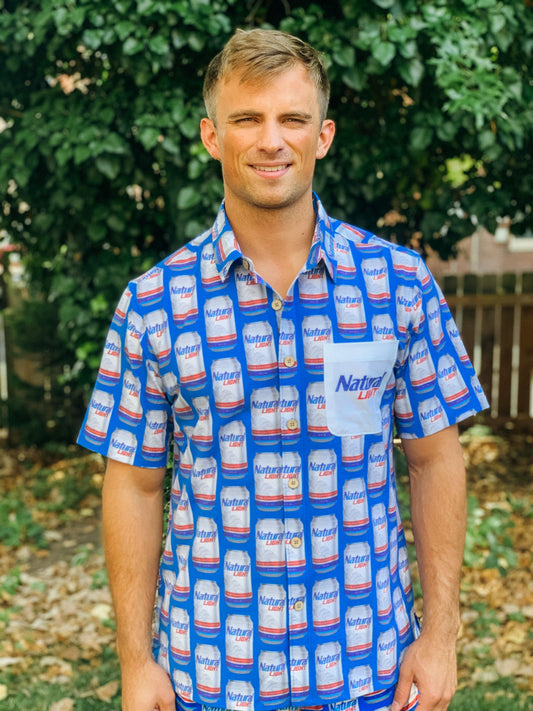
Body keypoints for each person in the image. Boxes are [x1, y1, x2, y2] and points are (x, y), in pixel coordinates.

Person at [77, 28, 488, 711]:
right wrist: (136, 659)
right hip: (210, 677)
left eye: (291, 118)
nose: (272, 139)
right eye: (247, 119)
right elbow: (135, 484)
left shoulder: (398, 285)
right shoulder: (153, 304)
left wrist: (439, 636)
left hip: (371, 674)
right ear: (211, 135)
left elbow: (434, 461)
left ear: (321, 135)